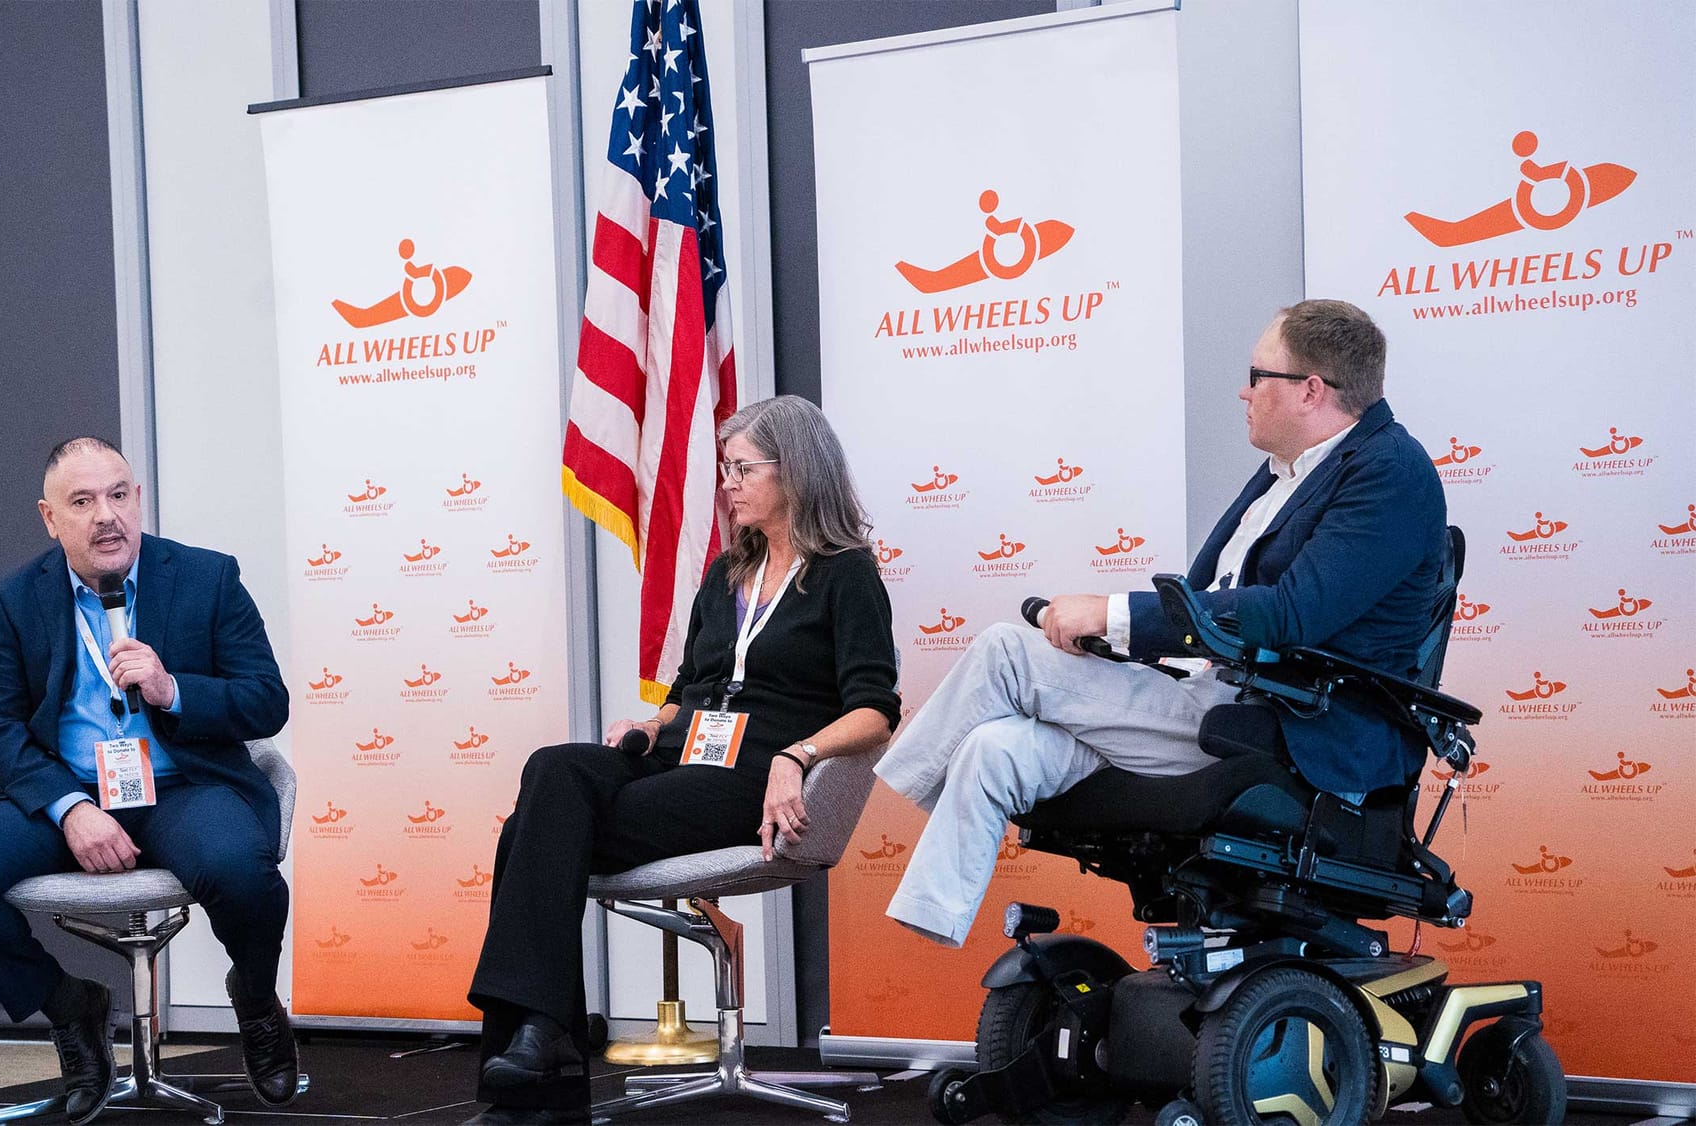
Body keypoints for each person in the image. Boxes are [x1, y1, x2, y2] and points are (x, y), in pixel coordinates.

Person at [877, 299, 1447, 947]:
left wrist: (1113, 613)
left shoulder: (1391, 472)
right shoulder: (1284, 475)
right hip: (1202, 691)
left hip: (1284, 724)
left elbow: (1292, 613)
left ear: (1311, 390)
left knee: (1006, 651)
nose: (1244, 391)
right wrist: (1121, 644)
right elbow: (1209, 599)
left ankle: (875, 807)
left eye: (1257, 375)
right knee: (993, 749)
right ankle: (931, 920)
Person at [469, 396, 901, 1120]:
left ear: (794, 470)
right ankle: (542, 1038)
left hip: (748, 777)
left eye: (743, 468)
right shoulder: (727, 573)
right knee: (553, 766)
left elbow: (876, 710)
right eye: (726, 468)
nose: (728, 483)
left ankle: (540, 1064)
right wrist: (649, 723)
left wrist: (797, 755)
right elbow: (689, 690)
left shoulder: (845, 575)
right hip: (678, 756)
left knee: (526, 833)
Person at [0, 438, 298, 1124]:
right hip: (69, 791)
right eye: (82, 502)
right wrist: (68, 808)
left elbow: (268, 701)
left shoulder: (207, 578)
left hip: (184, 785)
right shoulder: (15, 599)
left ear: (138, 499)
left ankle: (258, 998)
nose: (106, 515)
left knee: (242, 871)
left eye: (118, 495)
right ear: (49, 518)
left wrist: (173, 689)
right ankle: (71, 1006)